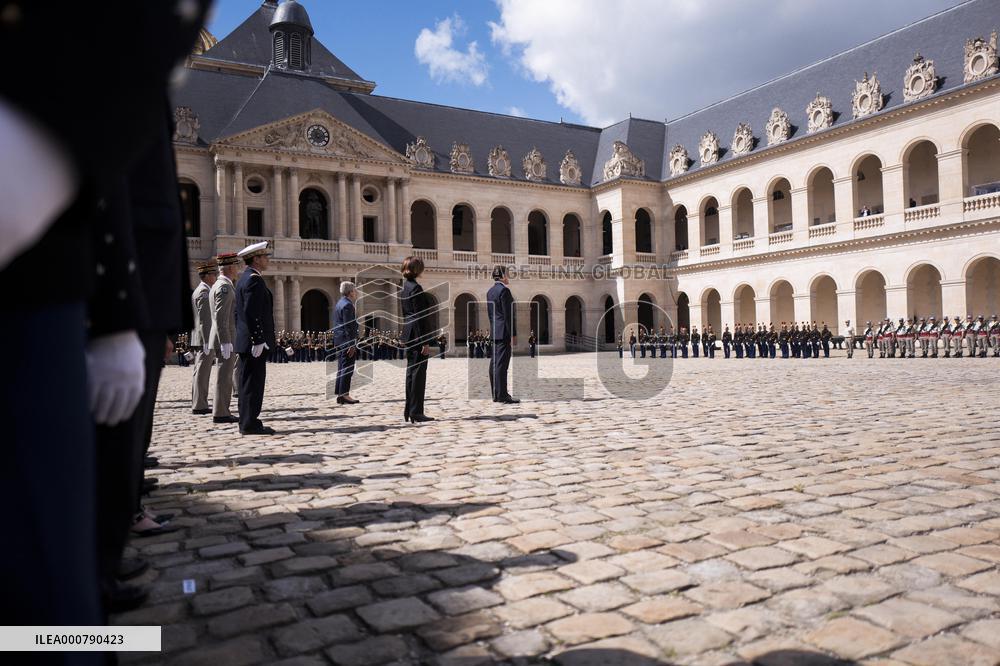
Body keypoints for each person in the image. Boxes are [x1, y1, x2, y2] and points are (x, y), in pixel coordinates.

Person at [235, 241, 276, 436]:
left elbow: (239, 314)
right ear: (256, 259)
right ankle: (250, 423)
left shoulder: (244, 278)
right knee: (253, 384)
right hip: (254, 343)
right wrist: (258, 339)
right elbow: (251, 313)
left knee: (247, 383)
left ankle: (246, 420)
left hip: (247, 340)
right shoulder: (253, 280)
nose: (267, 259)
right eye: (265, 256)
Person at [402, 256, 435, 420]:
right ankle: (416, 412)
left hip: (409, 334)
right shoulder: (416, 288)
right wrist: (424, 341)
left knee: (411, 373)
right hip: (417, 335)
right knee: (418, 375)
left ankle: (409, 409)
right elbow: (420, 316)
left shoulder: (405, 287)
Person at [208, 253, 240, 424]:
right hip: (225, 337)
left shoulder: (218, 285)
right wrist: (226, 341)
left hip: (222, 336)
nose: (237, 269)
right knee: (224, 376)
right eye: (236, 266)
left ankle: (221, 410)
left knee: (225, 374)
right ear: (230, 268)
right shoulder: (224, 287)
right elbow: (222, 317)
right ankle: (221, 412)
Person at [487, 265, 519, 404]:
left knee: (494, 363)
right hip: (504, 332)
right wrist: (513, 334)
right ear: (502, 276)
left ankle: (496, 394)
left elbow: (491, 315)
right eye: (507, 274)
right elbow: (508, 315)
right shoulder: (504, 291)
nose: (508, 276)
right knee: (502, 365)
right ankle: (502, 395)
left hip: (495, 331)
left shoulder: (490, 291)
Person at [190, 262, 217, 415]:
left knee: (199, 371)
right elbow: (205, 319)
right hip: (204, 338)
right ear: (206, 276)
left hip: (201, 337)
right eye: (213, 274)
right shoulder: (204, 292)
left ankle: (198, 402)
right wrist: (207, 340)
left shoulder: (200, 290)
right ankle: (200, 404)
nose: (215, 276)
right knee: (202, 371)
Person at [333, 281, 360, 405]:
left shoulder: (339, 303)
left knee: (341, 367)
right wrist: (351, 344)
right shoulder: (348, 305)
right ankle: (344, 394)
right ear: (350, 292)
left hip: (340, 340)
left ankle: (340, 394)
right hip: (346, 340)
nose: (356, 292)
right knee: (347, 368)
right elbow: (349, 326)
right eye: (354, 290)